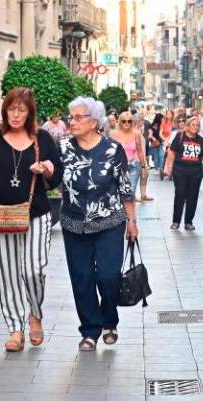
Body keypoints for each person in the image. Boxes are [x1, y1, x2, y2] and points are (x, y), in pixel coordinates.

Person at [0, 87, 63, 352]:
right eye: (11, 109)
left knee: (34, 269)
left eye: (22, 110)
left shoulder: (42, 138)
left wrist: (46, 169)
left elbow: (57, 175)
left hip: (37, 214)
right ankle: (15, 329)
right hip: (2, 215)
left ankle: (35, 314)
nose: (16, 115)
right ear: (4, 110)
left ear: (30, 113)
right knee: (8, 275)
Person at [60, 96, 138, 352]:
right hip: (74, 224)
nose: (73, 121)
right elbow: (52, 179)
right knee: (81, 278)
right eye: (71, 117)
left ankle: (110, 320)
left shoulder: (112, 150)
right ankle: (90, 330)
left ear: (94, 122)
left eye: (78, 117)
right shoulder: (63, 148)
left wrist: (132, 222)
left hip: (109, 222)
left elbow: (125, 188)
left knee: (108, 276)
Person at [163, 117, 203, 230]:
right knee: (180, 195)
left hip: (196, 172)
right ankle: (176, 221)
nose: (195, 127)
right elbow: (171, 153)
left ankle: (188, 222)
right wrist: (169, 168)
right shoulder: (180, 136)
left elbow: (202, 155)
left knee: (193, 197)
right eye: (193, 125)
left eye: (197, 125)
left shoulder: (200, 140)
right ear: (187, 126)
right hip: (180, 171)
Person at [111, 111, 151, 201]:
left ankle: (130, 214)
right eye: (124, 121)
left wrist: (144, 166)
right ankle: (123, 213)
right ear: (120, 122)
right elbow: (110, 152)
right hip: (120, 166)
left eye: (129, 121)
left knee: (130, 192)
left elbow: (139, 150)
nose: (126, 123)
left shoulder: (136, 133)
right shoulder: (114, 134)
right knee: (120, 192)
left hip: (134, 164)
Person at [133, 113, 154, 201]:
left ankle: (143, 194)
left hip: (141, 157)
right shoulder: (135, 131)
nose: (143, 123)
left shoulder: (138, 131)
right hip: (137, 158)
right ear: (139, 121)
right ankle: (132, 196)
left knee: (144, 175)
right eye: (142, 121)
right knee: (135, 178)